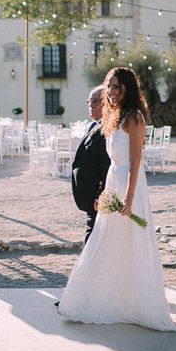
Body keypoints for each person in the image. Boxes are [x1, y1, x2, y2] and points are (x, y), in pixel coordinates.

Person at [58, 67, 176, 332]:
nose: (111, 92)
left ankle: (135, 301)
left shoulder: (134, 118)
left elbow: (136, 161)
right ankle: (104, 298)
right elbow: (110, 162)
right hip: (113, 180)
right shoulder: (113, 117)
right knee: (104, 240)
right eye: (109, 87)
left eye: (116, 87)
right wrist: (104, 193)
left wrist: (129, 196)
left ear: (127, 89)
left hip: (129, 184)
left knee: (131, 241)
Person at [71, 86, 111, 244]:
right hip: (88, 197)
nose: (91, 105)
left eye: (95, 101)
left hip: (97, 197)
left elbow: (106, 166)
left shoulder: (106, 129)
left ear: (106, 103)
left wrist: (100, 197)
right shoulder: (94, 125)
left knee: (93, 235)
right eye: (89, 102)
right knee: (94, 233)